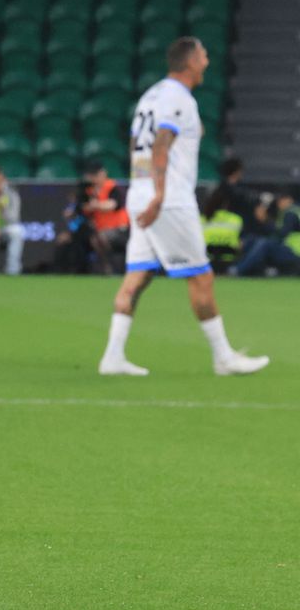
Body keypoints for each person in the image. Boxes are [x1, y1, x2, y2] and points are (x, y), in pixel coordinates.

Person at [98, 37, 268, 376]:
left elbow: (138, 144)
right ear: (190, 61)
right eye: (204, 55)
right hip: (169, 200)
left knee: (138, 276)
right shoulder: (179, 98)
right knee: (201, 276)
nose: (207, 61)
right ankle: (224, 358)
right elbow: (161, 145)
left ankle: (113, 357)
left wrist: (146, 189)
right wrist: (160, 196)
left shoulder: (152, 95)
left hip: (140, 192)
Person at [78, 159, 129, 274]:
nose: (94, 178)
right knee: (95, 239)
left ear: (103, 173)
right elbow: (83, 208)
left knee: (101, 238)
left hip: (120, 229)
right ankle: (106, 269)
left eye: (95, 175)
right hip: (101, 230)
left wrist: (95, 205)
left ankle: (112, 269)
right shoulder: (88, 191)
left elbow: (113, 204)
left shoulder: (112, 187)